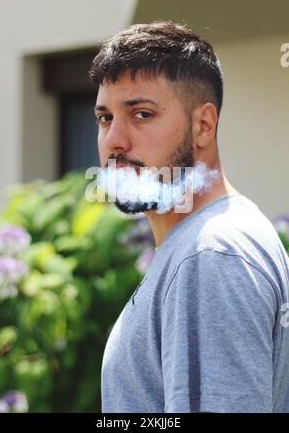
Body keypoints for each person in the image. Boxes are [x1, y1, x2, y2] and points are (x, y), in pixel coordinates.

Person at [89, 21, 289, 413]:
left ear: (203, 125)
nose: (114, 139)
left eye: (142, 114)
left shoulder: (211, 254)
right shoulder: (202, 244)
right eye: (105, 118)